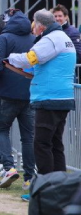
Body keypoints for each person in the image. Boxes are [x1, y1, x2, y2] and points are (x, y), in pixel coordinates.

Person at [7, 9, 76, 177]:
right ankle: (59, 185)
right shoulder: (64, 38)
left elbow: (29, 58)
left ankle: (45, 186)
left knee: (41, 144)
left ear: (40, 25)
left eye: (34, 24)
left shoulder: (50, 40)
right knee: (55, 144)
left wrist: (9, 58)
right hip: (63, 97)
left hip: (49, 98)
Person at [0, 10, 35, 189]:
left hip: (6, 93)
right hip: (30, 93)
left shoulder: (4, 38)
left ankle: (9, 168)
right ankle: (29, 178)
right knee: (28, 137)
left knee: (1, 130)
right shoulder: (33, 38)